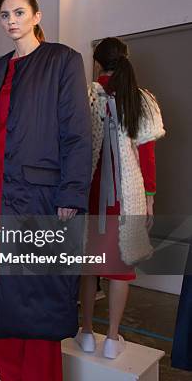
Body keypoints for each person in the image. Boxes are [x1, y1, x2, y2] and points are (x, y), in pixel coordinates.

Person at [0, 0, 91, 380]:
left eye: (19, 13)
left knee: (37, 294)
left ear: (36, 16)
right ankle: (8, 373)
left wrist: (71, 193)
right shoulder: (0, 69)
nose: (11, 21)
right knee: (1, 290)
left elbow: (77, 134)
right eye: (4, 15)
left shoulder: (62, 60)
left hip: (40, 196)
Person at [77, 37, 165, 359]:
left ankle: (86, 333)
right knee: (120, 268)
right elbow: (148, 157)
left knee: (89, 268)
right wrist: (150, 199)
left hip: (88, 195)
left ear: (98, 62)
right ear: (125, 58)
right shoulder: (141, 99)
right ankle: (112, 339)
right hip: (126, 198)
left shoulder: (85, 94)